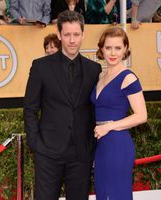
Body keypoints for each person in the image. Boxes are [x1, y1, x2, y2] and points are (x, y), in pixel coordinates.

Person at [24, 10, 101, 200]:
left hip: (81, 154)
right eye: (67, 35)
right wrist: (35, 143)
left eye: (76, 34)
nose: (72, 40)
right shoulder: (41, 67)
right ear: (59, 35)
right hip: (48, 152)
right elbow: (30, 108)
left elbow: (93, 110)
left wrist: (91, 146)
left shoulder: (94, 69)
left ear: (83, 34)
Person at [91, 27, 147, 200]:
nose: (113, 53)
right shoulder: (100, 76)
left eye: (118, 48)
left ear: (125, 50)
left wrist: (110, 126)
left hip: (118, 144)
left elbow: (141, 115)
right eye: (108, 48)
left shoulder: (128, 77)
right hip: (101, 145)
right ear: (101, 49)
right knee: (102, 194)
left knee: (117, 195)